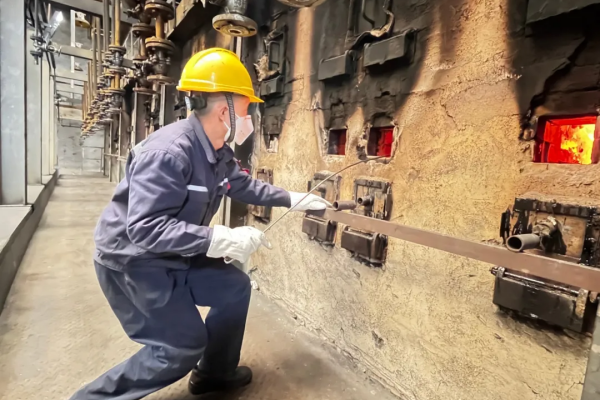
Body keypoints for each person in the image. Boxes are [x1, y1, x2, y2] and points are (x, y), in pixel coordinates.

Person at [70, 48, 330, 400]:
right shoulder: (169, 152)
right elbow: (144, 229)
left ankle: (214, 374)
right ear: (225, 112)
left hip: (175, 253)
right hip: (134, 264)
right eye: (246, 109)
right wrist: (218, 239)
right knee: (180, 347)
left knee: (234, 287)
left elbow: (240, 184)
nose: (249, 117)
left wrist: (292, 198)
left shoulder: (215, 149)